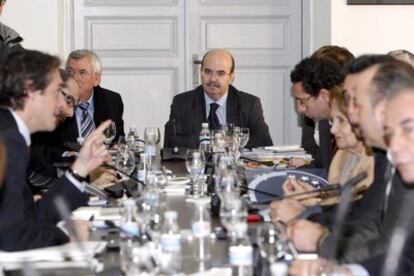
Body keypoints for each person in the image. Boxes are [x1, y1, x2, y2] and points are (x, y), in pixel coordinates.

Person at [289, 60, 414, 276]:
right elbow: (380, 234)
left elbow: (390, 248)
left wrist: (320, 239)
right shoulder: (388, 159)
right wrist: (349, 271)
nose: (351, 113)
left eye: (356, 103)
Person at [0, 50, 111, 251]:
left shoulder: (12, 131)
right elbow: (12, 236)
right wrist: (67, 233)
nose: (63, 106)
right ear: (31, 91)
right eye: (56, 92)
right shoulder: (8, 140)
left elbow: (30, 216)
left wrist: (80, 169)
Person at [270, 89, 374, 223]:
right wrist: (312, 197)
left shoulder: (373, 163)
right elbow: (335, 197)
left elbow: (353, 218)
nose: (333, 129)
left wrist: (303, 213)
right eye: (332, 121)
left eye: (341, 121)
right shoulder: (343, 153)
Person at [164, 49, 273, 149]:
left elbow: (264, 142)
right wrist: (217, 142)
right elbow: (171, 142)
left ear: (231, 78)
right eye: (207, 71)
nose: (212, 79)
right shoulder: (182, 103)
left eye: (220, 73)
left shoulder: (249, 104)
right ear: (200, 73)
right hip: (196, 167)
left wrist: (221, 142)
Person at [57, 49, 124, 149]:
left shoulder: (112, 101)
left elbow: (118, 141)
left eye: (82, 72)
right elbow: (47, 148)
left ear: (96, 79)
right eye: (70, 72)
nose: (74, 78)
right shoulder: (57, 102)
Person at [290, 57, 344, 170]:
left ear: (324, 96)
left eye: (302, 101)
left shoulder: (353, 127)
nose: (300, 109)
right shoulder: (324, 123)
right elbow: (320, 166)